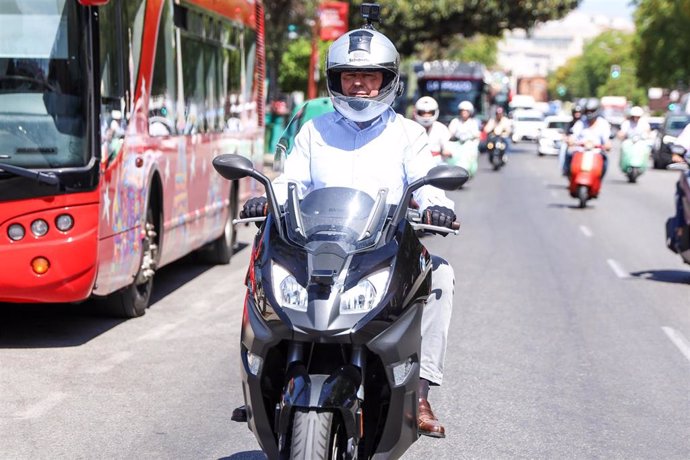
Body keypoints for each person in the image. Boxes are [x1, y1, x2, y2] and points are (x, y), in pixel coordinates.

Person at [240, 26, 457, 439]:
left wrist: (437, 208)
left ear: (388, 81)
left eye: (370, 76)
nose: (358, 85)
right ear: (335, 80)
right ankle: (262, 381)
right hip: (317, 245)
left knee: (441, 274)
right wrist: (266, 199)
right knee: (260, 268)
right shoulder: (314, 131)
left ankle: (422, 391)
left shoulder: (408, 134)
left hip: (381, 246)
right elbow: (291, 182)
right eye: (349, 76)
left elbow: (428, 181)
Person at [564, 98, 612, 177]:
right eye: (587, 111)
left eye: (592, 111)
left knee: (605, 160)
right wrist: (571, 140)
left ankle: (599, 178)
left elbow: (607, 139)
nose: (589, 113)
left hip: (597, 152)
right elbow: (573, 135)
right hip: (580, 151)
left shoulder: (603, 123)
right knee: (569, 154)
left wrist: (607, 144)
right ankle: (568, 173)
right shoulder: (581, 122)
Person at [413, 96, 451, 164]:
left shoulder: (441, 128)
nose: (426, 116)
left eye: (429, 112)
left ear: (435, 112)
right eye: (423, 113)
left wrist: (446, 151)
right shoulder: (410, 128)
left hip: (437, 164)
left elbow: (448, 148)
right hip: (416, 164)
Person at [559, 104, 582, 174]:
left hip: (583, 146)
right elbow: (564, 135)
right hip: (572, 145)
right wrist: (568, 140)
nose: (577, 114)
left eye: (579, 112)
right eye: (576, 112)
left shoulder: (584, 124)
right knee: (564, 149)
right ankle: (565, 168)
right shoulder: (569, 124)